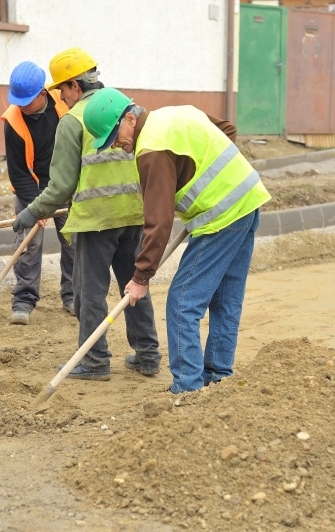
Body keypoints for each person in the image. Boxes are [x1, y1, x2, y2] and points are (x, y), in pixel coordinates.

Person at [82, 87, 272, 393]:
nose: (116, 146)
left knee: (183, 302)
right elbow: (227, 131)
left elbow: (159, 222)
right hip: (248, 200)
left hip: (221, 218)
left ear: (129, 118)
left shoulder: (151, 150)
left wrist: (141, 276)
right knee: (225, 300)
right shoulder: (174, 113)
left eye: (114, 137)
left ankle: (187, 387)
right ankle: (218, 376)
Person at [12, 48, 161, 381]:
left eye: (62, 89)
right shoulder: (122, 107)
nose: (61, 97)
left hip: (97, 220)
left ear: (76, 86)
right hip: (134, 214)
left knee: (89, 292)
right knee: (134, 286)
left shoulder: (72, 121)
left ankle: (94, 361)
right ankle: (148, 355)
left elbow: (61, 185)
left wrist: (31, 212)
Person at [2, 61, 75, 325]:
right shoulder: (13, 121)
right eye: (17, 101)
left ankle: (72, 296)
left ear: (42, 95)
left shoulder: (64, 103)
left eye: (26, 102)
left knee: (73, 241)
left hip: (65, 184)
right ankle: (24, 300)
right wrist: (35, 208)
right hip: (30, 187)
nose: (20, 107)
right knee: (27, 245)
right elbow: (18, 171)